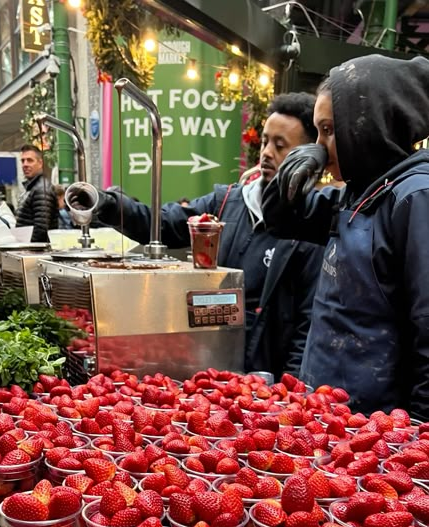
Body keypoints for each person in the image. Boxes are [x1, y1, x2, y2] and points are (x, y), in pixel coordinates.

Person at [70, 93, 324, 381]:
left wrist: (291, 390)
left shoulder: (311, 224)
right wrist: (107, 204)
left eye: (280, 146)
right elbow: (163, 224)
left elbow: (308, 322)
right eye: (265, 141)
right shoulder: (226, 202)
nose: (266, 153)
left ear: (305, 156)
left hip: (266, 379)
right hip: (213, 367)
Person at [262, 54, 429, 419]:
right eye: (317, 133)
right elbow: (281, 220)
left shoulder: (415, 197)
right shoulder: (356, 193)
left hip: (375, 431)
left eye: (329, 130)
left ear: (370, 126)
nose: (321, 147)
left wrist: (417, 436)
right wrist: (291, 173)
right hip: (327, 411)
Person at [15, 144, 58, 242]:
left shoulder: (42, 189)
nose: (25, 164)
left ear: (40, 163)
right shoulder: (34, 187)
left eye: (30, 160)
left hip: (35, 251)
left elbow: (41, 228)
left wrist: (28, 249)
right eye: (23, 161)